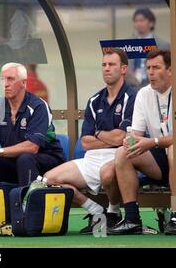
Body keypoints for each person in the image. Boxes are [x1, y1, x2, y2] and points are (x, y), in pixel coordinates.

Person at [45, 48, 136, 234]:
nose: (107, 69)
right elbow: (85, 142)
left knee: (107, 173)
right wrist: (109, 137)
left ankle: (113, 213)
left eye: (112, 65)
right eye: (104, 65)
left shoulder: (132, 97)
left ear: (124, 68)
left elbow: (122, 138)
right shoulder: (95, 100)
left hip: (119, 157)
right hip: (91, 159)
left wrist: (99, 134)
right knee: (48, 180)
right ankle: (96, 211)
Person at [108, 50, 175, 235]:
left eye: (156, 67)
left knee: (173, 150)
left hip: (170, 151)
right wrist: (130, 141)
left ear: (170, 70)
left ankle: (175, 215)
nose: (150, 73)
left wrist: (152, 141)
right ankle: (132, 219)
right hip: (159, 158)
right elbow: (136, 134)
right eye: (148, 68)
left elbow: (157, 141)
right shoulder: (143, 94)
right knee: (123, 152)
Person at [0, 62, 65, 186]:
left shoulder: (38, 106)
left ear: (23, 83)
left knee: (25, 158)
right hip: (14, 162)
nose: (5, 84)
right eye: (2, 79)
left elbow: (32, 147)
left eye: (10, 79)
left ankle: (27, 202)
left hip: (46, 162)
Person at [130, 8, 170, 88]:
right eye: (136, 21)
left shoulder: (163, 45)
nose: (138, 24)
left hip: (156, 87)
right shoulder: (128, 44)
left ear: (151, 23)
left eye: (142, 20)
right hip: (133, 86)